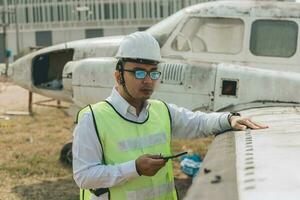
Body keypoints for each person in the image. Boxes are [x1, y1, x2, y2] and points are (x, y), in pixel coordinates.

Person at [72, 31, 268, 200]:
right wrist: (135, 168)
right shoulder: (93, 119)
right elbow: (84, 176)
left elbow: (198, 123)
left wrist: (228, 119)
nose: (148, 81)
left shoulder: (161, 111)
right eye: (139, 73)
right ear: (118, 76)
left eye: (153, 73)